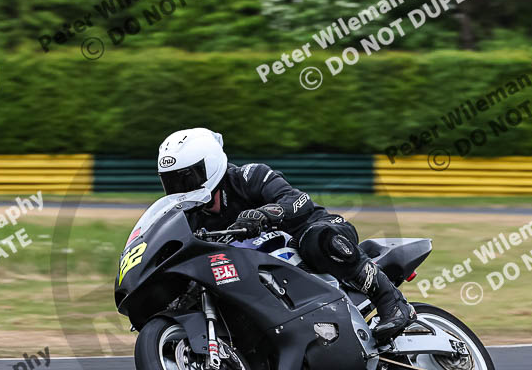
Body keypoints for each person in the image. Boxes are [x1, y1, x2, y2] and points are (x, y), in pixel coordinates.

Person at [156, 127, 415, 341]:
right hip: (258, 273)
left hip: (314, 233)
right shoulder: (189, 217)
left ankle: (390, 301)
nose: (180, 189)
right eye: (171, 182)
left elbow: (298, 199)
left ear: (209, 166)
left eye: (185, 179)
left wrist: (265, 213)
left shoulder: (248, 176)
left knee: (315, 240)